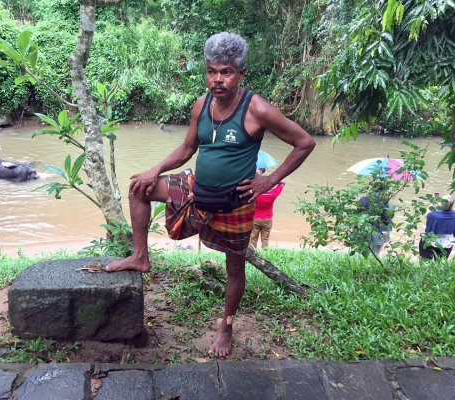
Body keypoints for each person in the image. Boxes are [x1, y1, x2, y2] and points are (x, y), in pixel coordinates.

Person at [105, 32, 315, 357]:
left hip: (234, 204)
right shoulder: (201, 105)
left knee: (234, 271)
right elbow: (188, 148)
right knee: (139, 188)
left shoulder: (256, 108)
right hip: (196, 190)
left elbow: (305, 142)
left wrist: (269, 180)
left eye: (226, 71)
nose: (217, 79)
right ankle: (140, 256)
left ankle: (226, 327)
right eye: (212, 71)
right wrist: (155, 170)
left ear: (241, 73)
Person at [250, 168, 285, 248]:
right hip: (267, 219)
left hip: (255, 218)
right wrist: (270, 179)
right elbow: (283, 183)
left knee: (253, 238)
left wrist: (258, 176)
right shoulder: (273, 194)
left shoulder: (255, 194)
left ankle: (253, 253)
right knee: (265, 239)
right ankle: (265, 253)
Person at [419, 194, 455, 260]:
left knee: (424, 262)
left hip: (429, 243)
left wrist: (433, 201)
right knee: (440, 264)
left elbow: (425, 213)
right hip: (446, 245)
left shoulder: (433, 214)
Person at [360, 189, 394, 255]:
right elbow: (388, 222)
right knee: (375, 253)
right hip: (379, 233)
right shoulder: (389, 205)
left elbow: (358, 213)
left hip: (364, 231)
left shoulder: (363, 200)